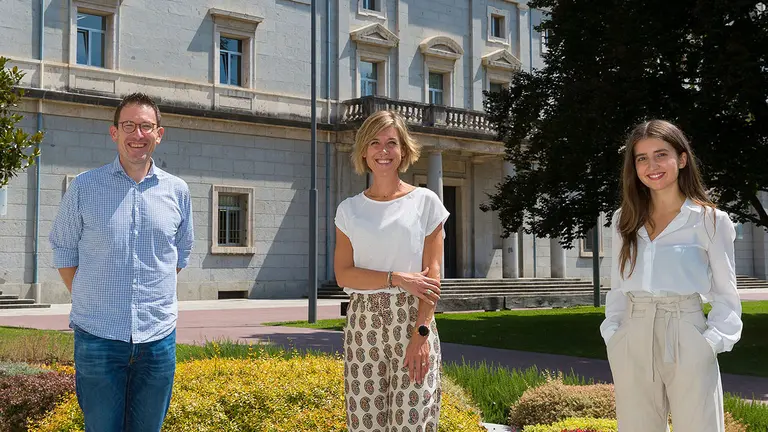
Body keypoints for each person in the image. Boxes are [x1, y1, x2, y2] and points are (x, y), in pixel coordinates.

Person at [49, 92, 194, 431]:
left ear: (159, 134)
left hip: (157, 339)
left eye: (146, 126)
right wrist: (93, 297)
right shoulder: (85, 187)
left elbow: (178, 255)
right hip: (98, 336)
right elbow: (64, 252)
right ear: (114, 133)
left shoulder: (178, 191)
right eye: (128, 125)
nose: (137, 135)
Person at [600, 119, 742, 431]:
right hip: (633, 334)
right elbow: (618, 288)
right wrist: (614, 334)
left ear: (681, 159)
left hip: (686, 331)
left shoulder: (711, 221)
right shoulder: (623, 220)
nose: (652, 165)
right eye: (641, 158)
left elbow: (726, 295)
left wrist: (710, 344)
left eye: (660, 154)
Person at [334, 110, 449, 432]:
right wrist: (395, 278)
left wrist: (421, 334)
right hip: (363, 324)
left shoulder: (425, 202)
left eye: (391, 143)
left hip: (412, 319)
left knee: (413, 421)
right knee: (365, 423)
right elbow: (344, 274)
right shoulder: (349, 210)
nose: (383, 151)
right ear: (363, 152)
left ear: (403, 151)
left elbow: (433, 274)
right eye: (375, 143)